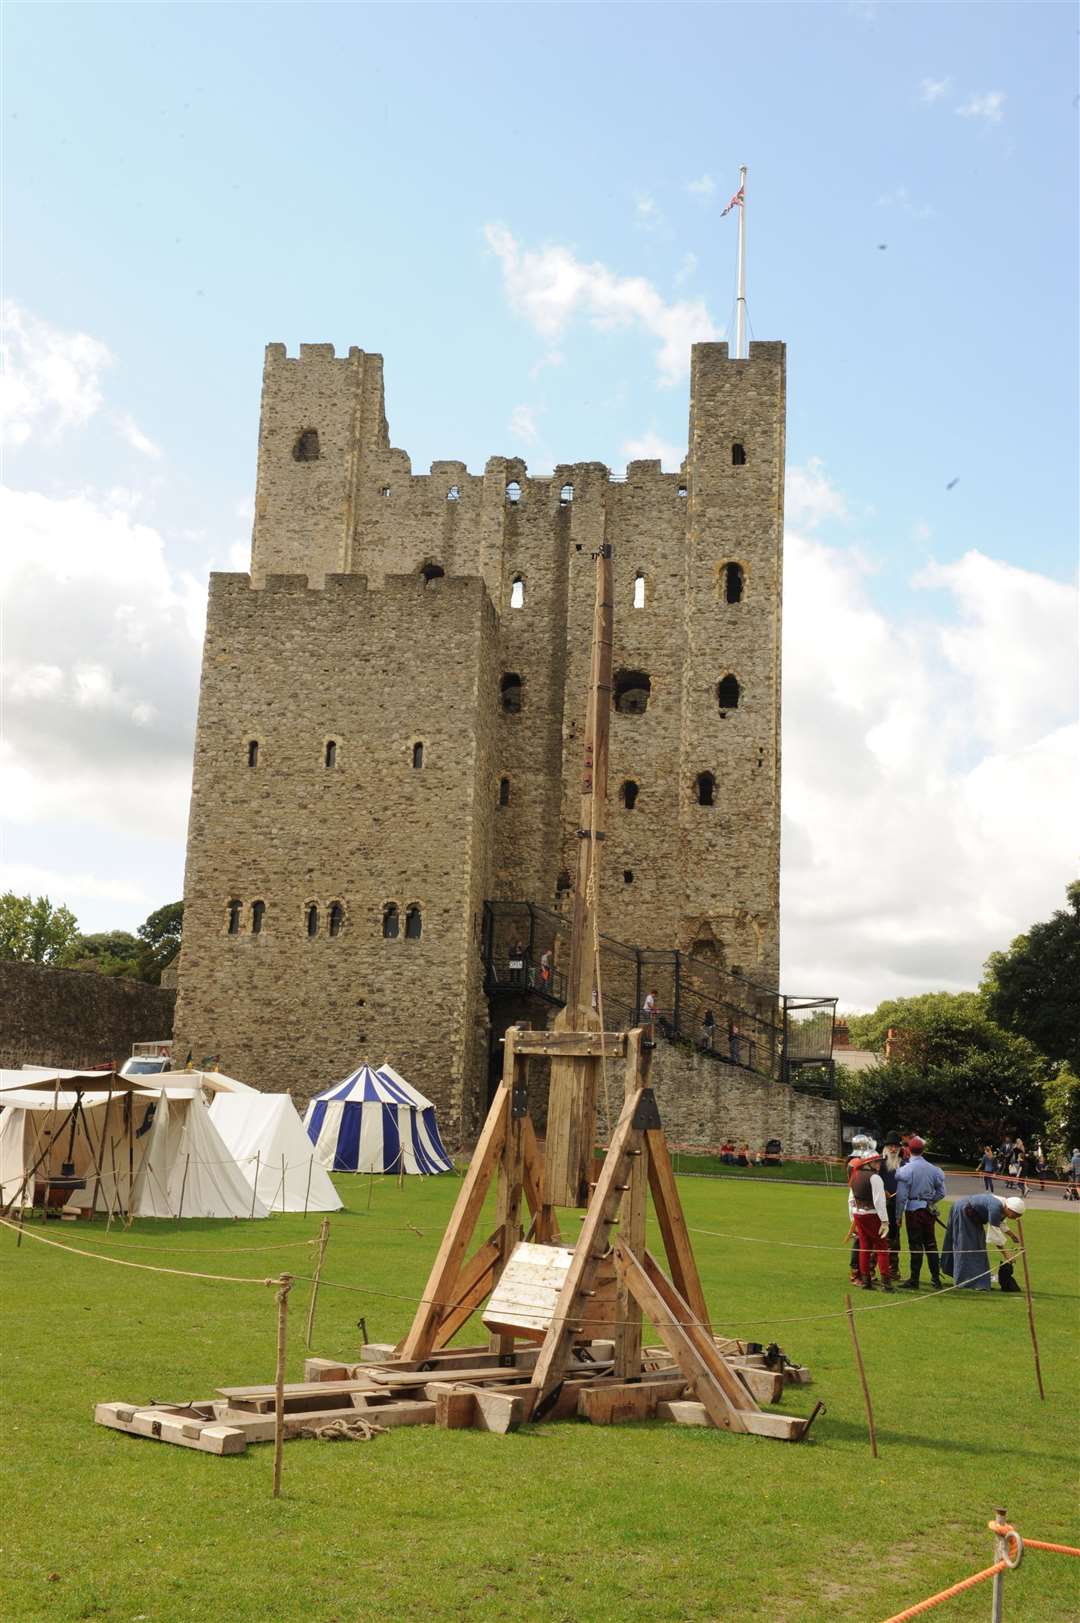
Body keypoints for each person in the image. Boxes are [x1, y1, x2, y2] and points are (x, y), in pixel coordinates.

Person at [940, 1193, 1025, 1291]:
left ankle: (973, 1280)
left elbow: (1000, 1222)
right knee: (967, 1247)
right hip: (964, 1213)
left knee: (976, 1247)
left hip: (970, 1214)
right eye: (1015, 1215)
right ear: (1009, 1209)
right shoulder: (996, 1207)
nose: (1015, 1218)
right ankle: (967, 1281)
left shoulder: (1003, 1205)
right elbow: (995, 1234)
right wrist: (1006, 1254)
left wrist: (1012, 1235)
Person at [894, 1135, 946, 1290]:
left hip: (913, 1210)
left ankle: (914, 1279)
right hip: (928, 1211)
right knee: (931, 1244)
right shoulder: (934, 1169)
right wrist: (930, 1201)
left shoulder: (906, 1170)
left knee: (915, 1245)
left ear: (908, 1150)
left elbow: (902, 1196)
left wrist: (898, 1216)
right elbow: (942, 1192)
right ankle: (936, 1279)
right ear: (923, 1150)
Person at [848, 1148, 894, 1291]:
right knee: (882, 1248)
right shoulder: (875, 1178)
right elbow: (879, 1201)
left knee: (864, 1247)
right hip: (872, 1215)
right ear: (869, 1163)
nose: (879, 1164)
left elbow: (851, 1200)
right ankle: (886, 1283)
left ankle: (866, 1281)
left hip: (859, 1214)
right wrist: (885, 1221)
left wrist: (852, 1218)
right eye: (876, 1162)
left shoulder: (854, 1175)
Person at [879, 1131, 906, 1282]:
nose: (893, 1149)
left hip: (897, 1206)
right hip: (882, 1205)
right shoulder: (880, 1163)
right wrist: (883, 1192)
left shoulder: (904, 1164)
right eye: (890, 1146)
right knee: (879, 1238)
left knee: (894, 1239)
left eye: (895, 1146)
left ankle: (893, 1270)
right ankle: (871, 1270)